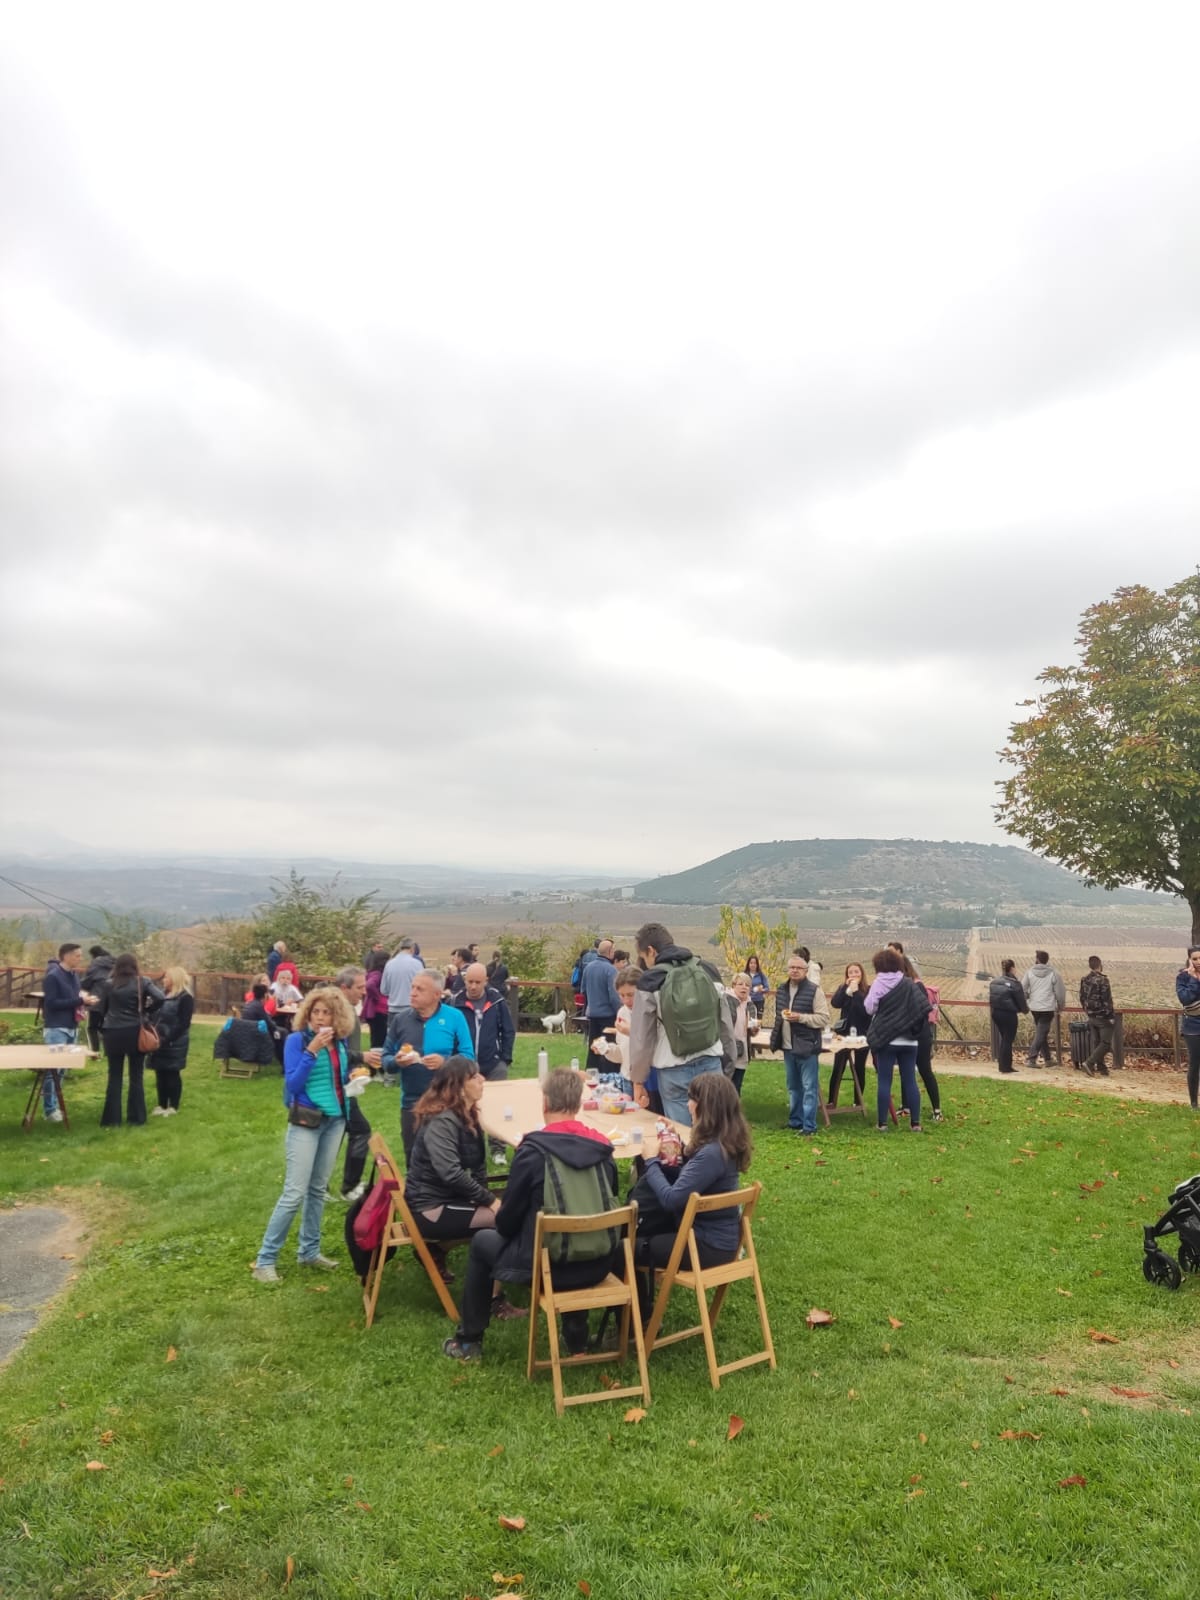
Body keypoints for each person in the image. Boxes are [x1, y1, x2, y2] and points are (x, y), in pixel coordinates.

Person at [441, 1069, 618, 1363]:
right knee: (576, 1235)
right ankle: (576, 1337)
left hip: (549, 1269)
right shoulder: (603, 1151)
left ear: (545, 1103)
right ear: (577, 1105)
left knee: (484, 1241)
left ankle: (469, 1341)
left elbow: (507, 1222)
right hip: (598, 1264)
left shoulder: (533, 1152)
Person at [403, 1058, 524, 1321]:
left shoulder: (468, 1113)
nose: (482, 1080)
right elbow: (451, 1173)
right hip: (430, 1209)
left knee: (512, 1204)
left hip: (448, 1197)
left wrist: (485, 1196)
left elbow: (478, 1164)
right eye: (474, 1077)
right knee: (502, 1219)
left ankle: (439, 1250)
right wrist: (489, 1202)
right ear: (458, 1087)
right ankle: (493, 1300)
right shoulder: (442, 1121)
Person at [253, 985, 355, 1284]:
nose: (320, 1018)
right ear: (307, 1013)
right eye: (315, 1012)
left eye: (326, 1013)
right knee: (294, 1192)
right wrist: (312, 1051)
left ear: (337, 1018)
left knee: (317, 1189)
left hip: (335, 1121)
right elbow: (293, 1085)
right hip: (306, 1123)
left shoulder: (340, 1043)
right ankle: (265, 1260)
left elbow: (338, 1080)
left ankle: (309, 1251)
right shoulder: (297, 1041)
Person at [633, 1072, 752, 1316]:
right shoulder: (724, 1144)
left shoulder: (711, 1154)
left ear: (703, 1107)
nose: (687, 1104)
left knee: (624, 1248)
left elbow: (671, 1199)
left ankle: (638, 1323)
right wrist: (676, 1145)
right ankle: (639, 1319)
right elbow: (693, 1179)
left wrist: (652, 1161)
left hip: (706, 1248)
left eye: (691, 1099)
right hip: (721, 1243)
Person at [628, 922, 735, 1127]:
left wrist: (638, 1080)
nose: (645, 963)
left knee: (683, 1136)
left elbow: (642, 1038)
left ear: (651, 951)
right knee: (716, 1134)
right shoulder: (707, 970)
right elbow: (723, 1022)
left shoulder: (650, 981)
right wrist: (728, 1063)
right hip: (711, 1061)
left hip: (673, 1068)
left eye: (643, 957)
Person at [381, 969, 475, 1161]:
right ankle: (416, 1192)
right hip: (412, 1102)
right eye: (412, 987)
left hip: (447, 1101)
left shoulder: (455, 1017)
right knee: (413, 1157)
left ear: (436, 994)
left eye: (419, 989)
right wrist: (396, 1062)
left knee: (445, 1159)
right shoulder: (401, 1020)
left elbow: (469, 1059)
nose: (412, 993)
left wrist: (445, 1063)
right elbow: (386, 1059)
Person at [453, 963, 516, 1165]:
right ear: (465, 981)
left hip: (493, 1063)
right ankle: (466, 1150)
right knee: (464, 1108)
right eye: (469, 982)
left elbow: (508, 1031)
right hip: (465, 1067)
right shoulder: (455, 1002)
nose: (473, 986)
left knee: (496, 1107)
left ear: (486, 981)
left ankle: (497, 1149)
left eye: (477, 982)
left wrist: (504, 1058)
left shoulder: (497, 1001)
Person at [332, 966, 383, 1203]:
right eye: (359, 987)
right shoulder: (334, 1014)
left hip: (345, 1083)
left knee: (336, 1133)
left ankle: (324, 1186)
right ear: (344, 988)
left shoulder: (348, 1009)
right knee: (359, 1130)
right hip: (334, 1086)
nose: (364, 991)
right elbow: (333, 1050)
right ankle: (348, 1187)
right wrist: (361, 1057)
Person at [96, 953, 164, 1127]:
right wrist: (146, 1011)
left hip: (112, 1032)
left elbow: (100, 1009)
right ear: (135, 966)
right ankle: (137, 1117)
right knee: (136, 1075)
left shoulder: (108, 984)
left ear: (116, 966)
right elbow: (160, 998)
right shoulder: (143, 982)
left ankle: (112, 1119)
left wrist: (106, 1023)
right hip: (135, 1031)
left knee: (114, 1076)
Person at [864, 948, 928, 1132]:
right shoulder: (908, 983)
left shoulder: (878, 983)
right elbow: (920, 1007)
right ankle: (915, 1123)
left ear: (878, 965)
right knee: (910, 1080)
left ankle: (882, 1123)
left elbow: (869, 1008)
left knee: (885, 1081)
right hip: (909, 1040)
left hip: (886, 1039)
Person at [769, 952, 831, 1135]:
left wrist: (801, 1018)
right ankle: (795, 1120)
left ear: (805, 971)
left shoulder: (814, 990)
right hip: (788, 1046)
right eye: (791, 967)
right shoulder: (781, 990)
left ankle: (809, 1126)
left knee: (809, 1088)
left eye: (798, 968)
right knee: (793, 1087)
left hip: (807, 1046)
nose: (794, 971)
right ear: (787, 970)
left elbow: (824, 1019)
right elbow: (777, 1017)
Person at [40, 943, 93, 1122]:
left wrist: (84, 1002)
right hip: (56, 1027)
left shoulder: (74, 975)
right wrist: (79, 1000)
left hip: (72, 1026)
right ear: (67, 956)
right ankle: (49, 1109)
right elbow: (52, 1003)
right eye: (77, 956)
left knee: (62, 1070)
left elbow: (74, 997)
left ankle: (56, 1104)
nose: (80, 958)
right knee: (53, 1069)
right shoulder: (53, 976)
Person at [590, 966, 643, 1098]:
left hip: (647, 1081)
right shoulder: (622, 1012)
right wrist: (606, 1049)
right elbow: (622, 1055)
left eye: (631, 995)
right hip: (626, 1077)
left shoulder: (650, 1012)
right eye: (622, 995)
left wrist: (631, 1031)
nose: (626, 1000)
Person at [151, 966, 194, 1116]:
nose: (164, 980)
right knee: (160, 1072)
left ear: (174, 979)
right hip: (159, 1039)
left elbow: (184, 1023)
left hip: (175, 1041)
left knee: (172, 1073)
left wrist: (169, 1039)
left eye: (167, 977)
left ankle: (173, 1106)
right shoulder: (162, 996)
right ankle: (161, 1104)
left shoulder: (185, 997)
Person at [829, 962, 871, 1109]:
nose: (853, 975)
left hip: (862, 1034)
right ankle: (831, 1100)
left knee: (859, 1068)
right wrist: (845, 991)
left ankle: (857, 1101)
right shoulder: (843, 989)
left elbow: (865, 1010)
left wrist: (856, 993)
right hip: (844, 1034)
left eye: (856, 972)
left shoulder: (868, 990)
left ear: (862, 973)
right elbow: (835, 1003)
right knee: (838, 1067)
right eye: (850, 972)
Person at [1022, 950, 1067, 1068]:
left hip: (1034, 1007)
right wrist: (1060, 1006)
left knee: (1041, 1033)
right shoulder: (1054, 973)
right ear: (1047, 960)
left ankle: (1048, 1059)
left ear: (1037, 959)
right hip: (1048, 1008)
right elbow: (1060, 993)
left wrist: (1027, 999)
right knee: (1041, 1033)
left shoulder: (1029, 972)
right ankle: (1031, 1058)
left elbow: (1023, 990)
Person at [989, 959, 1029, 1075]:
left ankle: (1003, 1065)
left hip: (996, 1013)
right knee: (1008, 1040)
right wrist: (1025, 1011)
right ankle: (1005, 1066)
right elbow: (1021, 1001)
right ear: (1012, 968)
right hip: (1009, 1014)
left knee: (1004, 1039)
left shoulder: (994, 982)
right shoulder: (1015, 984)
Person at [1079, 956, 1116, 1078]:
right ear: (1100, 965)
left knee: (1097, 1042)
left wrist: (1088, 1011)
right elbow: (1107, 1000)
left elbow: (1082, 997)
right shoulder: (1103, 980)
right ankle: (1089, 1063)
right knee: (1105, 1043)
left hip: (1091, 1015)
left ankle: (1101, 1067)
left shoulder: (1084, 979)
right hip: (1103, 1016)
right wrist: (1110, 1016)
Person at [582, 939, 621, 1052]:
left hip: (592, 1014)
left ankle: (591, 1068)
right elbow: (614, 996)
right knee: (607, 1050)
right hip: (607, 1016)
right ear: (610, 952)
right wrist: (619, 1013)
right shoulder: (611, 970)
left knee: (594, 1048)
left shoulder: (588, 968)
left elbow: (583, 990)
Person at [1175, 948, 1200, 1110]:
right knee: (1195, 1064)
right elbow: (1185, 999)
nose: (1199, 961)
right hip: (1192, 1026)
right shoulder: (1182, 977)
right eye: (1195, 958)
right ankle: (1193, 1103)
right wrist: (1193, 979)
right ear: (1190, 960)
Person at [81, 945, 114, 1055]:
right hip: (113, 999)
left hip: (97, 998)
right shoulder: (115, 962)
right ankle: (109, 1050)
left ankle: (95, 1051)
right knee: (106, 1026)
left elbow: (88, 981)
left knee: (92, 1027)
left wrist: (81, 987)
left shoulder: (95, 963)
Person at [381, 938, 423, 1015]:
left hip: (393, 1009)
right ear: (412, 948)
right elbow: (423, 986)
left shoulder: (389, 964)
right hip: (412, 1008)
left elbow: (384, 990)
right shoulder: (417, 964)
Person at [725, 972, 752, 1096]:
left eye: (747, 985)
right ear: (733, 986)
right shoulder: (726, 1001)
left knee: (736, 1086)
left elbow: (748, 1028)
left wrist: (754, 1030)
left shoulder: (750, 1005)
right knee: (725, 1086)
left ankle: (733, 1113)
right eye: (740, 984)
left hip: (742, 1050)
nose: (744, 987)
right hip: (728, 1051)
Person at [362, 948, 390, 1049]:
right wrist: (378, 997)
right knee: (379, 1039)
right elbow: (369, 985)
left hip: (376, 1011)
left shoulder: (374, 973)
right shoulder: (377, 974)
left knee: (377, 1038)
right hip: (378, 1011)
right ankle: (376, 1062)